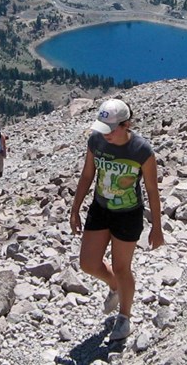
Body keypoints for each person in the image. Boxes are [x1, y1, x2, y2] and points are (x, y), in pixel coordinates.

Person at [69, 98, 164, 343]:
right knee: (88, 264)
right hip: (100, 208)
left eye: (111, 128)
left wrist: (157, 226)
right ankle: (114, 285)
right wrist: (75, 208)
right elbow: (88, 174)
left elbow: (152, 189)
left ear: (126, 125)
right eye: (103, 127)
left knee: (122, 267)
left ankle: (124, 317)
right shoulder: (96, 141)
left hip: (128, 213)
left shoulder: (142, 151)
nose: (106, 134)